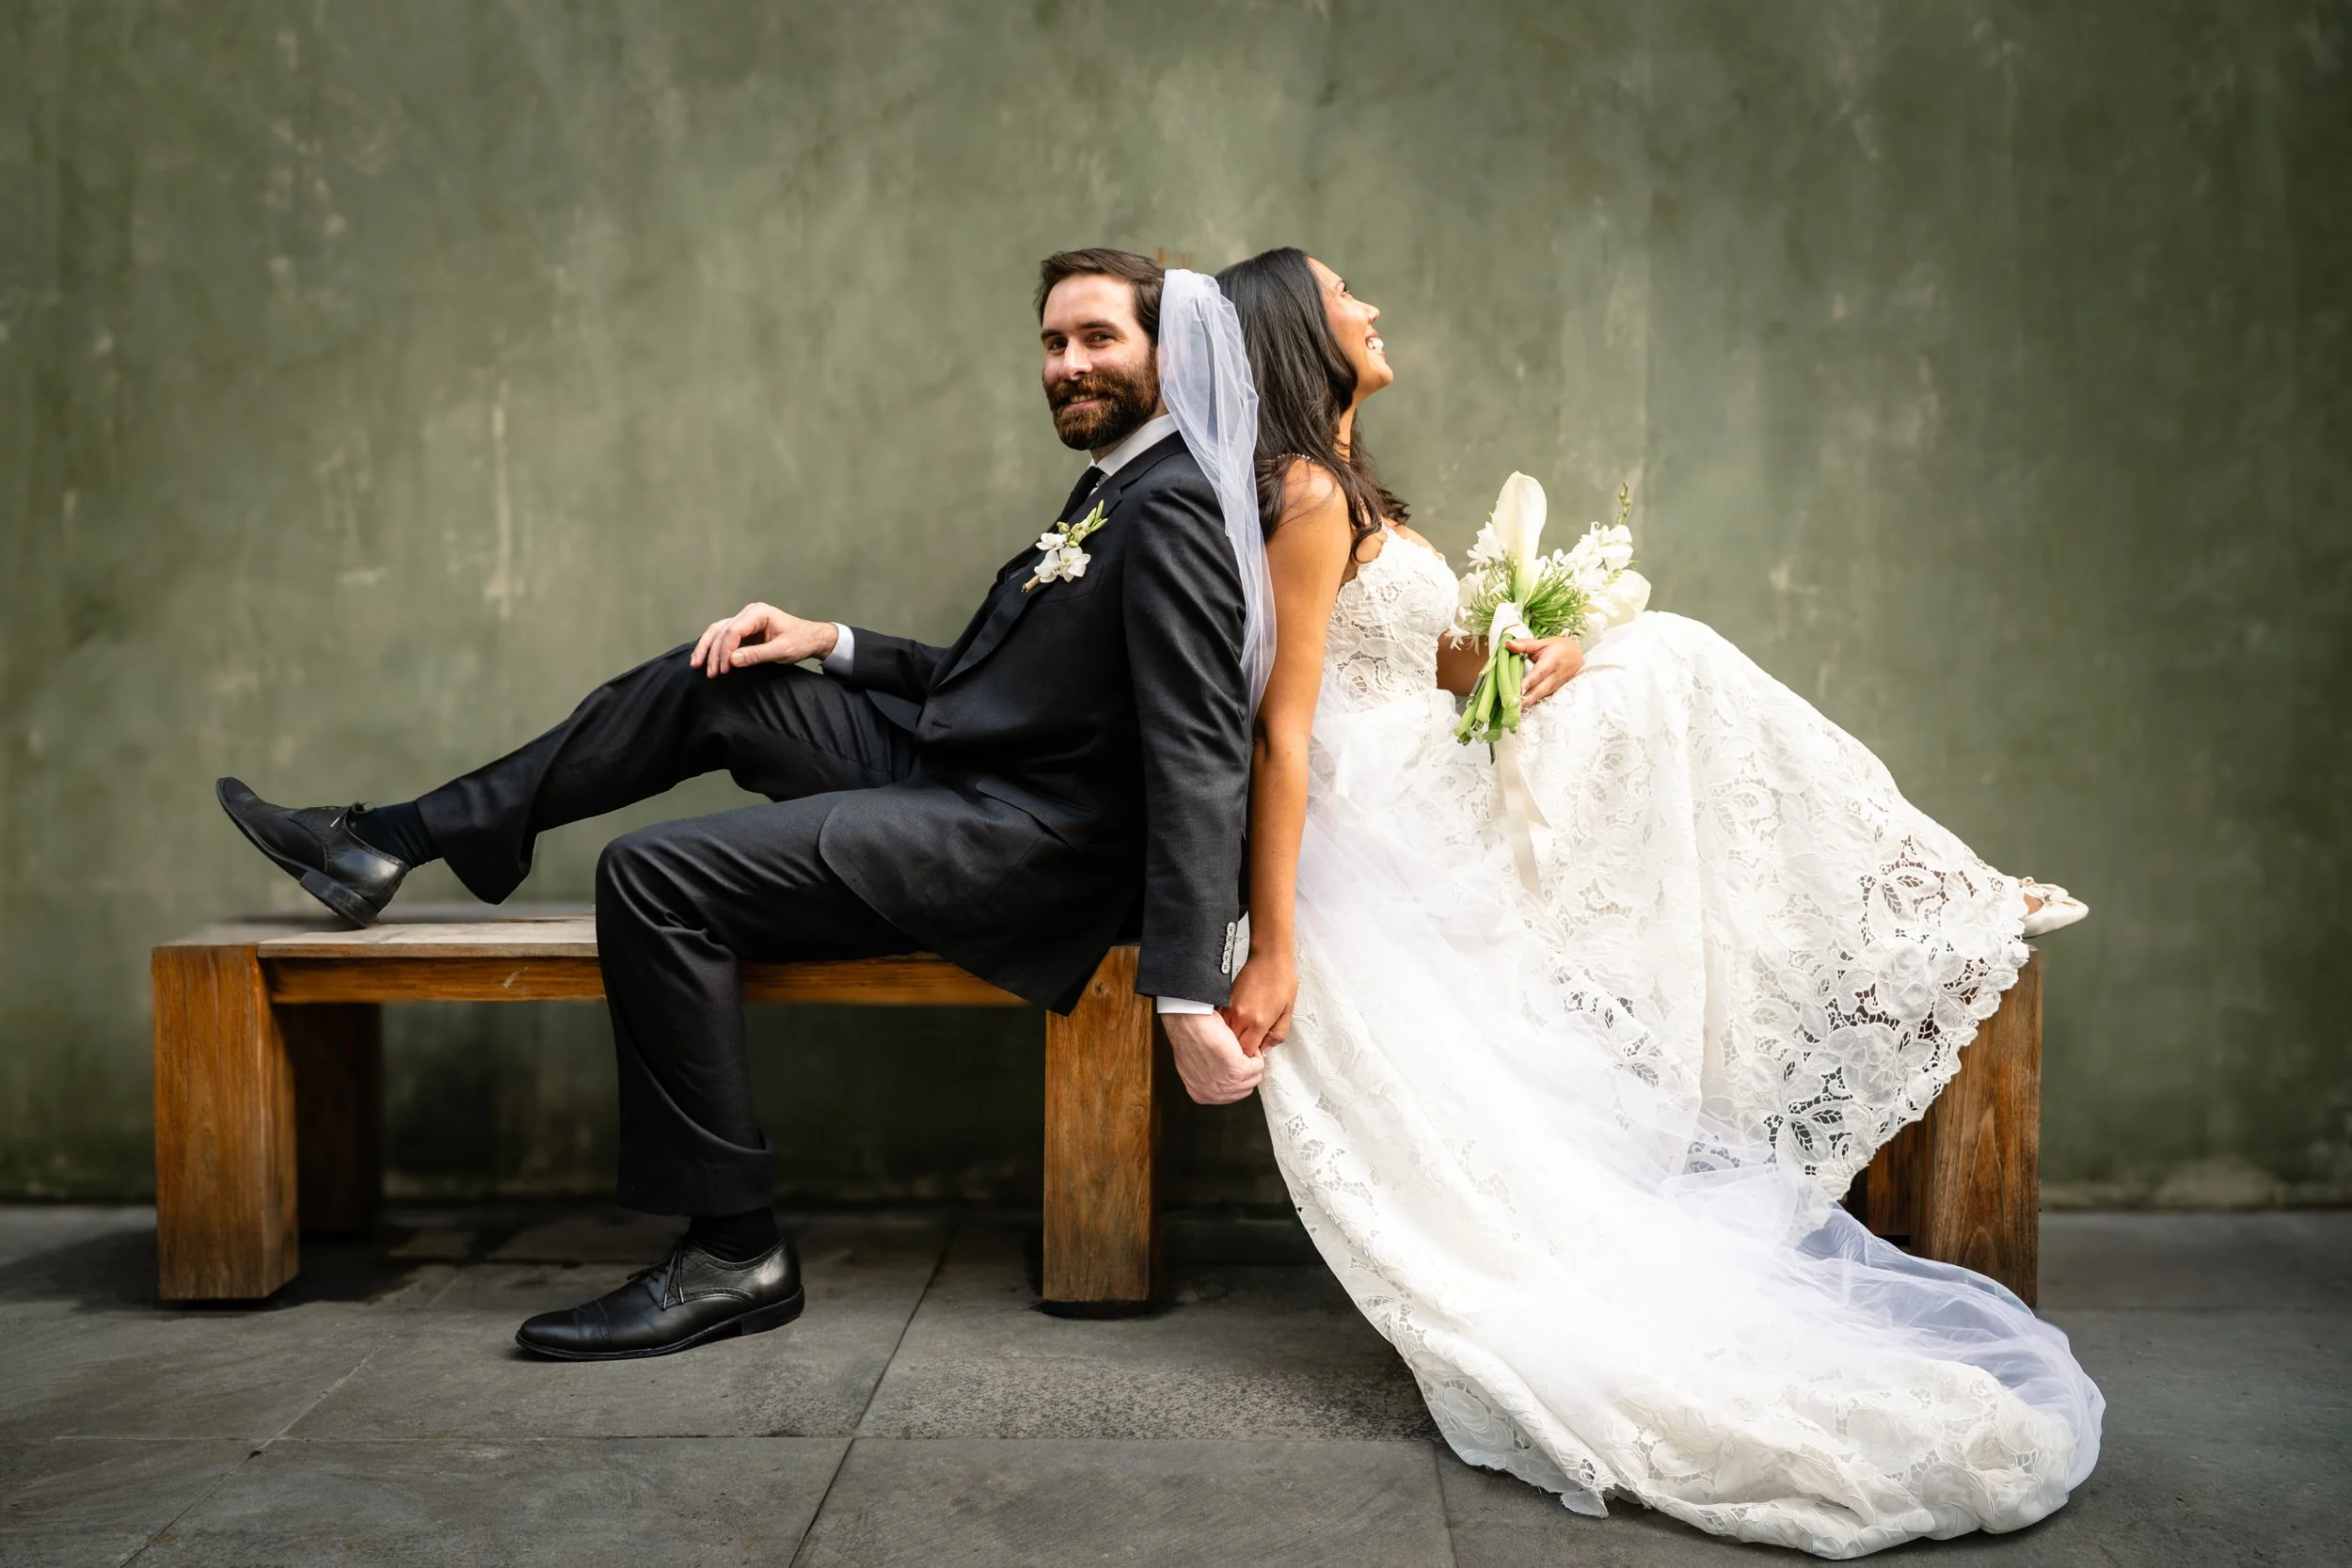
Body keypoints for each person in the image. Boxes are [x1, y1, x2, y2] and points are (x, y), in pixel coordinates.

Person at [1206, 245, 2103, 1557]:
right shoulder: (1298, 494)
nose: (1374, 307)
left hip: (1430, 758)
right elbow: (1285, 731)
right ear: (1302, 332)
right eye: (1348, 298)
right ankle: (1938, 890)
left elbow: (1414, 656)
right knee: (1675, 654)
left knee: (1646, 652)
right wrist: (1277, 944)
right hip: (1386, 813)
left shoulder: (1339, 485)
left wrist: (1522, 647)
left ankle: (1931, 888)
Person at [215, 249, 1273, 1359]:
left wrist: (1184, 990)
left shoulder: (1174, 511)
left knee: (654, 874)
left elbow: (1201, 755)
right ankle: (387, 842)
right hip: (969, 772)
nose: (1067, 364)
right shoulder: (1115, 483)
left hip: (1026, 845)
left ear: (1170, 349)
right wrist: (832, 642)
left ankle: (733, 1249)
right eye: (1053, 343)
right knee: (716, 676)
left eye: (1098, 338)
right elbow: (1004, 677)